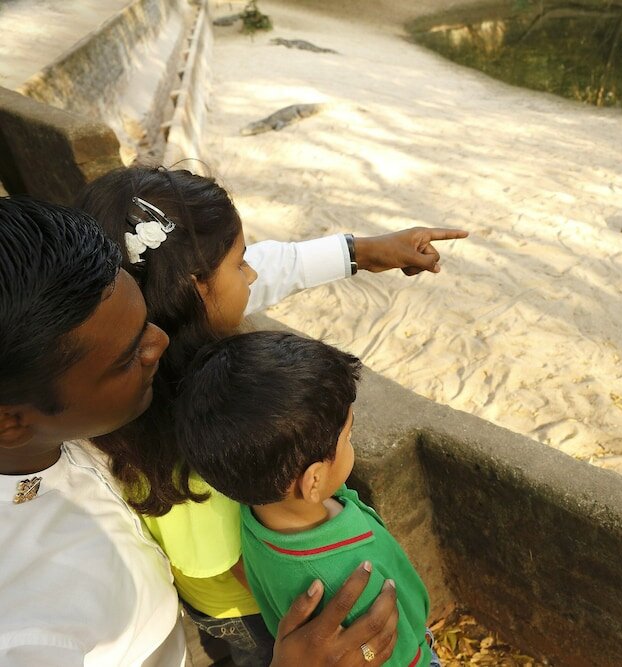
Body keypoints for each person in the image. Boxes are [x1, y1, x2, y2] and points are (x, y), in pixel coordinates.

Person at [73, 165, 466, 664]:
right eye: (240, 264)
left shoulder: (143, 343)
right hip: (260, 613)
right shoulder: (198, 439)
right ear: (193, 289)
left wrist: (362, 251)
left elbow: (264, 270)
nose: (253, 273)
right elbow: (218, 559)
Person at [0, 196, 399, 666]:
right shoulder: (33, 628)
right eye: (129, 356)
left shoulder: (69, 416)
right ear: (10, 421)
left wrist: (351, 252)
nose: (162, 342)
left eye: (147, 316)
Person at [175, 332, 437, 667]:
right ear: (313, 480)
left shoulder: (259, 508)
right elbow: (385, 652)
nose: (351, 441)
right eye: (349, 435)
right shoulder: (351, 582)